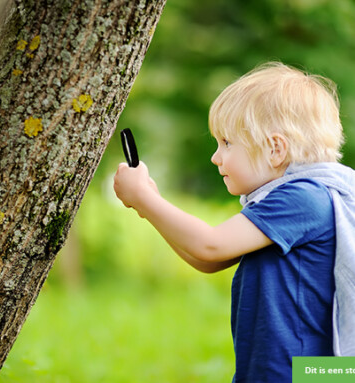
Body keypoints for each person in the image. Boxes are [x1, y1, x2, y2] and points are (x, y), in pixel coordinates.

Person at [113, 62, 355, 382]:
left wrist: (145, 198)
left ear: (275, 149)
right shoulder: (290, 200)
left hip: (297, 374)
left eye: (226, 143)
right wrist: (149, 206)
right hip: (291, 371)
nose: (216, 157)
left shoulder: (303, 199)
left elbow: (210, 245)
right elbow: (208, 259)